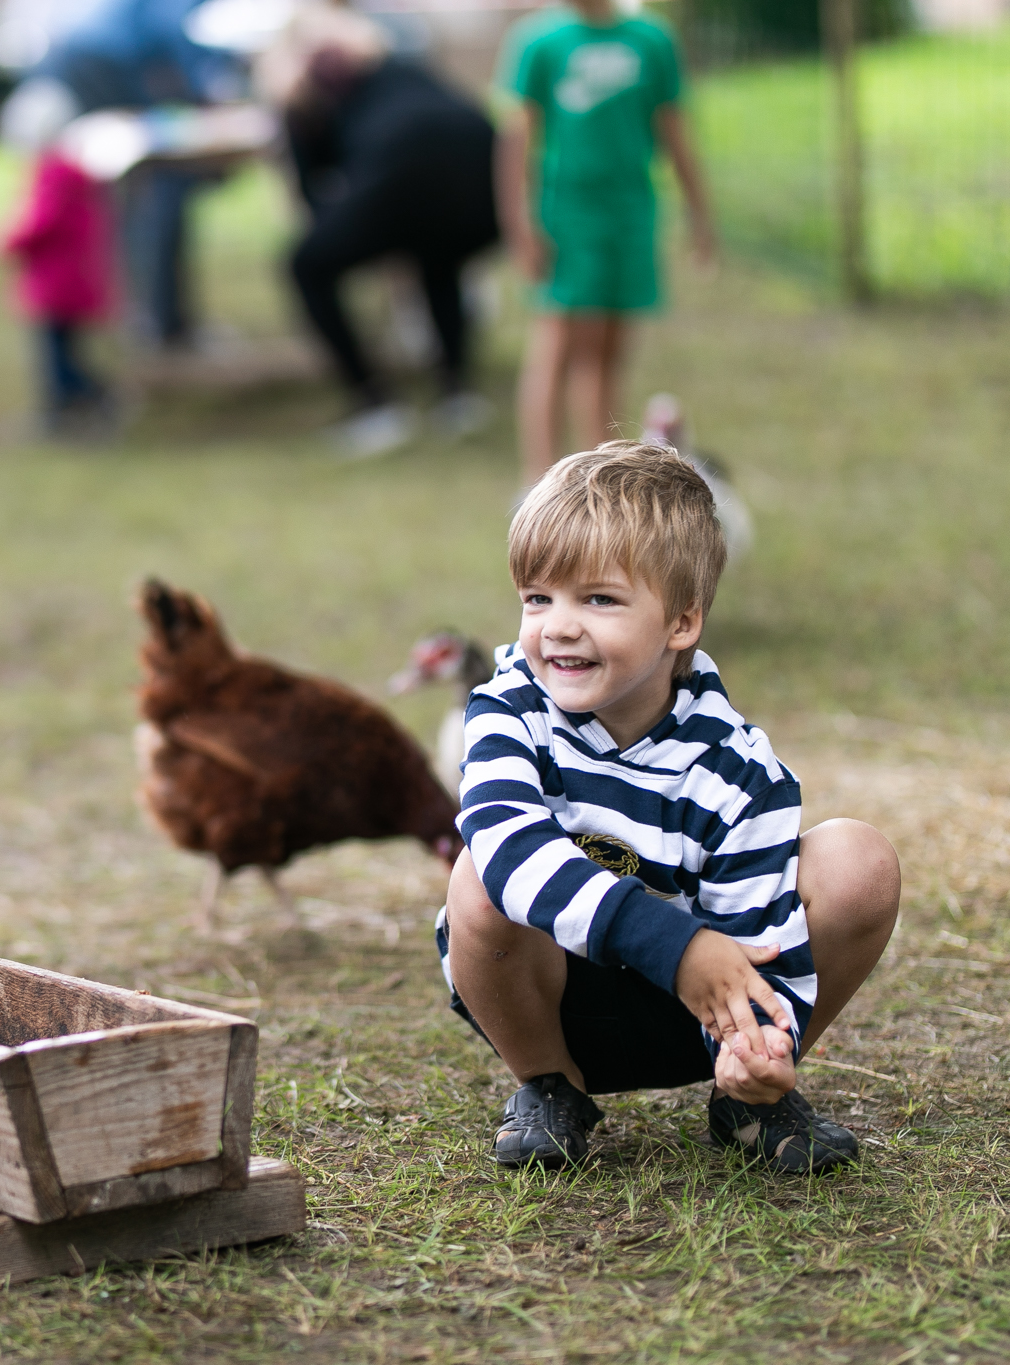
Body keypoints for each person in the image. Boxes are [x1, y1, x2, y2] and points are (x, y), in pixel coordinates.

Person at [438, 442, 899, 1173]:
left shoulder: (737, 767)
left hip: (701, 1007)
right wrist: (673, 944)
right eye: (537, 596)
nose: (556, 625)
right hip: (550, 999)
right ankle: (551, 1088)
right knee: (477, 875)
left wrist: (756, 1044)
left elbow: (758, 927)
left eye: (598, 598)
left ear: (681, 623)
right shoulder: (506, 711)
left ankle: (750, 1100)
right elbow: (508, 848)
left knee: (858, 860)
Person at [260, 3, 498, 459]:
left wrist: (291, 115)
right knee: (438, 255)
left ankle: (375, 402)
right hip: (482, 173)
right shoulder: (398, 65)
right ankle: (456, 394)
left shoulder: (309, 92)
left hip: (405, 171)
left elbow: (314, 196)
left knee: (306, 265)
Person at [495, 0, 715, 487]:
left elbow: (673, 129)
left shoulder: (652, 39)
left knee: (611, 350)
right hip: (568, 216)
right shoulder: (538, 41)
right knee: (561, 343)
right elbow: (517, 140)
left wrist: (699, 212)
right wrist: (519, 223)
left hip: (631, 214)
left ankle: (596, 485)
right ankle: (543, 485)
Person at [22, 0, 243, 350]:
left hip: (79, 65)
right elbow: (179, 41)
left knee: (137, 195)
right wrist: (206, 92)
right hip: (98, 66)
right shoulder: (174, 14)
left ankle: (148, 315)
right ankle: (160, 321)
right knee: (157, 189)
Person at [0, 80, 116, 438]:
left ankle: (76, 405)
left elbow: (40, 222)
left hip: (57, 284)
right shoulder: (71, 168)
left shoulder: (54, 172)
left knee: (57, 357)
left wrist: (4, 241)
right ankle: (75, 406)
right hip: (71, 281)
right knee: (65, 352)